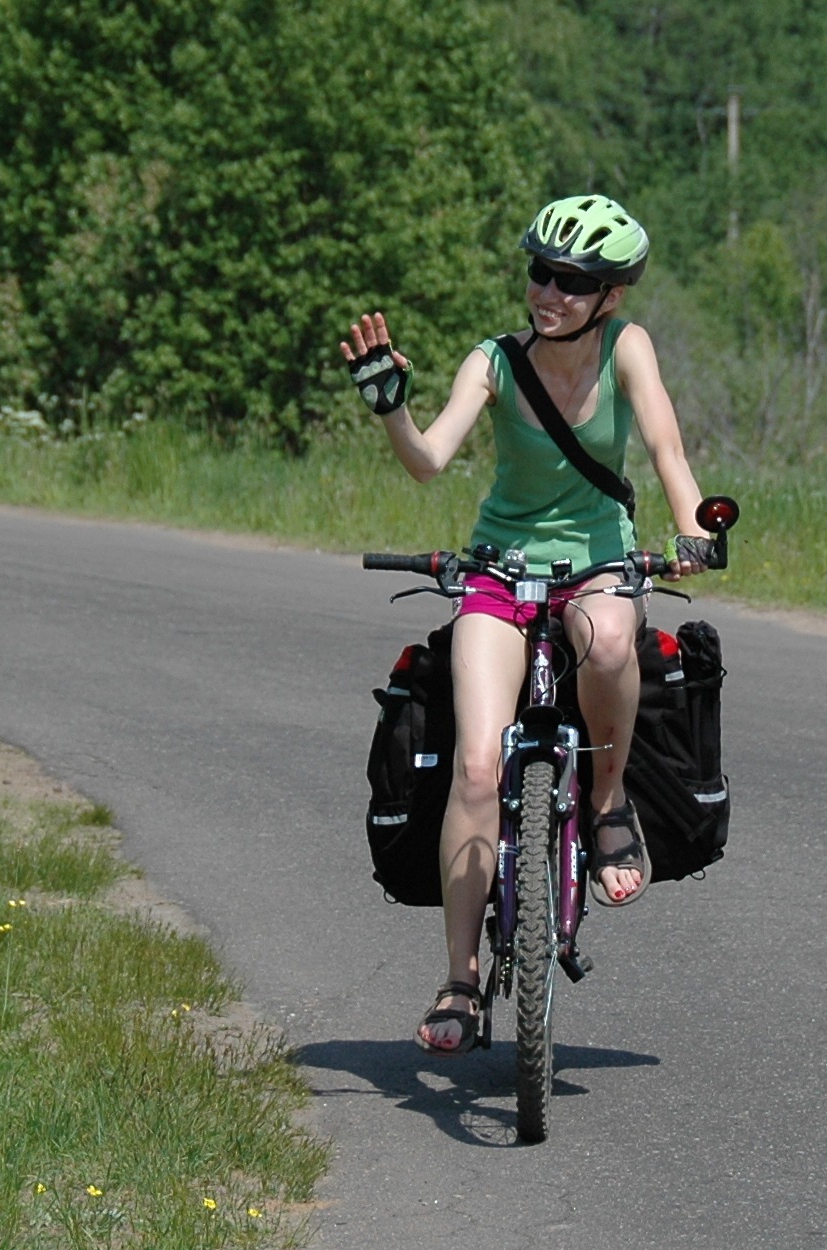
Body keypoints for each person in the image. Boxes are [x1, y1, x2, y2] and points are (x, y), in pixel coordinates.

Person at [339, 195, 714, 1055]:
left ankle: (608, 803)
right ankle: (459, 979)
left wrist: (693, 529)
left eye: (571, 281)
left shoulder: (627, 349)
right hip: (498, 567)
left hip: (598, 563)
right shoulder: (494, 361)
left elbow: (667, 452)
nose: (548, 292)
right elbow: (428, 460)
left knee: (611, 640)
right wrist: (390, 406)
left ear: (610, 295)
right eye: (539, 272)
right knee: (477, 764)